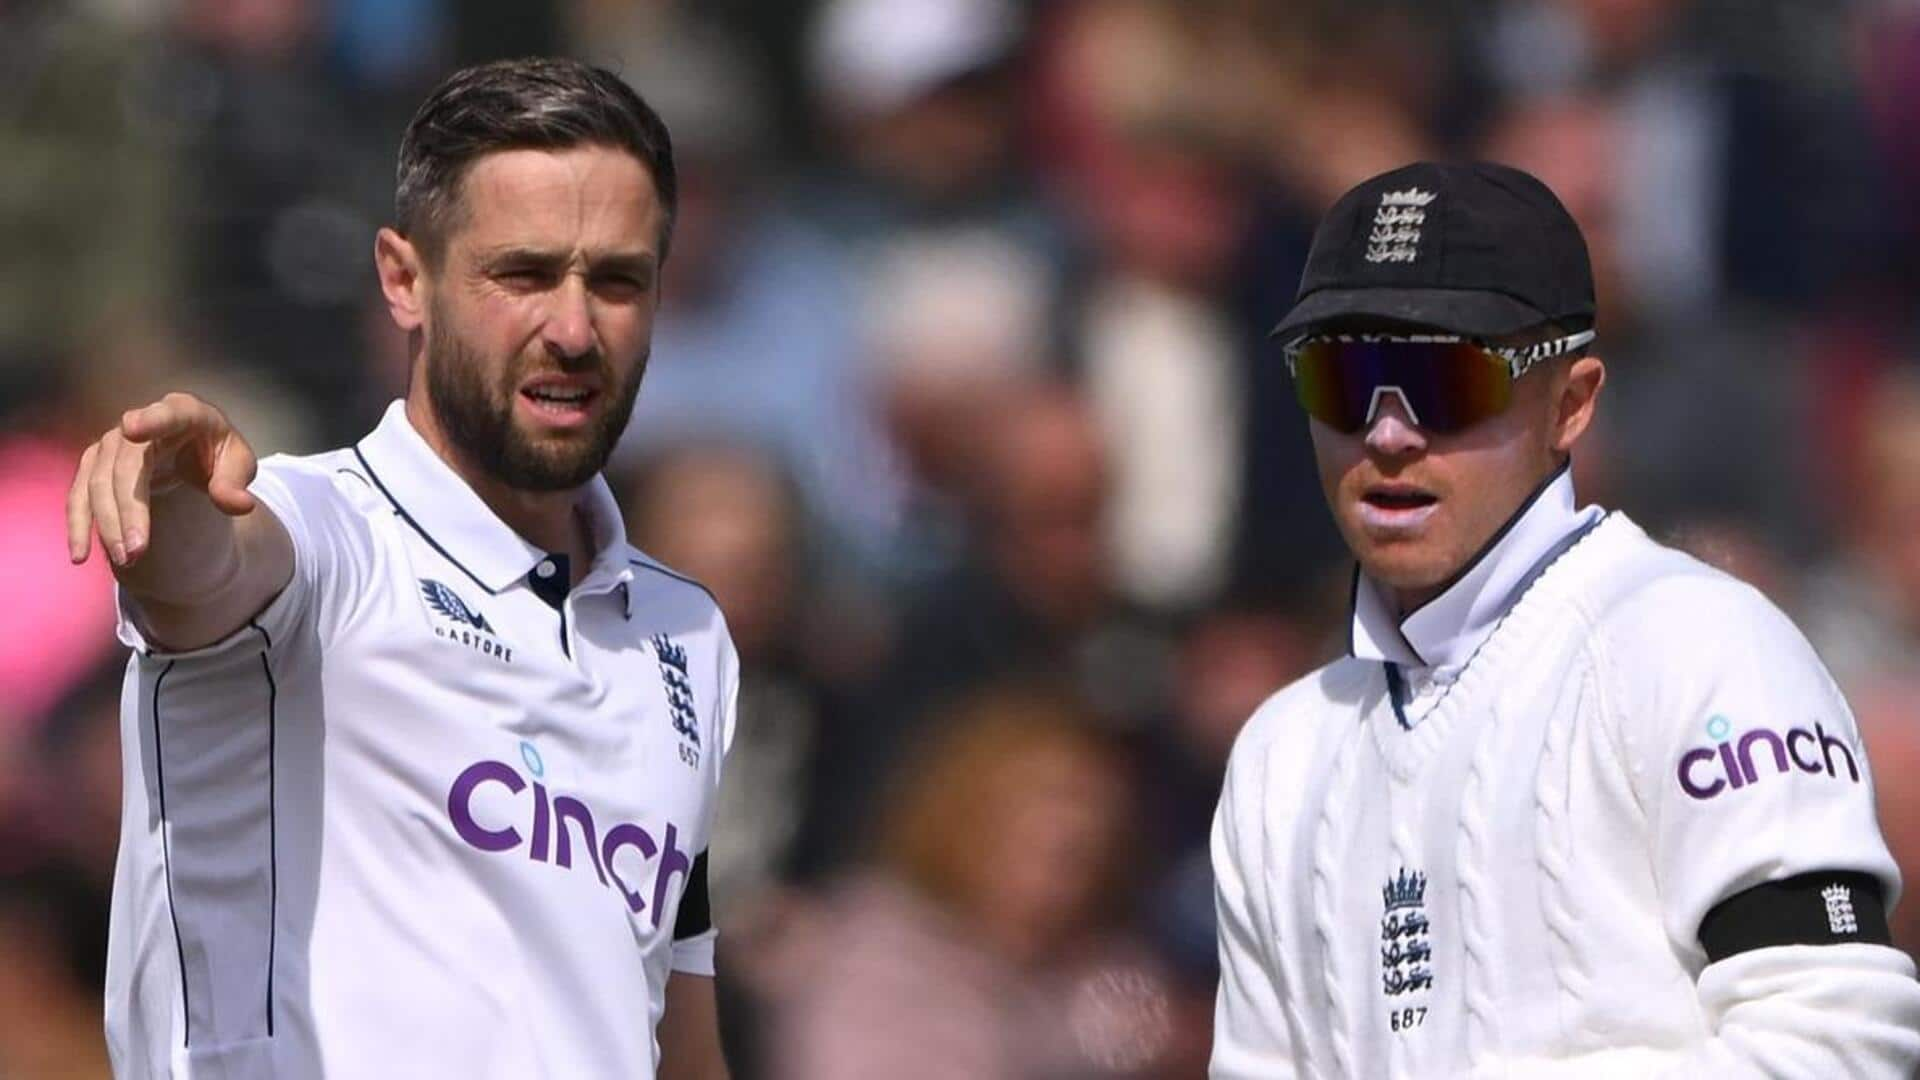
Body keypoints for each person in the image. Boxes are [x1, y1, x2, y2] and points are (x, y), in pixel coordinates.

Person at [65, 58, 734, 1079]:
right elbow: (208, 571)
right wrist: (165, 502)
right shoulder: (325, 530)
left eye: (616, 280)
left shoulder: (689, 639)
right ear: (403, 278)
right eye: (523, 273)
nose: (572, 328)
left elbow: (678, 1039)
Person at [1209, 161, 1920, 1077]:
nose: (1388, 432)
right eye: (1342, 380)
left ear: (1573, 401)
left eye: (1446, 379)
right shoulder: (1280, 752)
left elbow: (1845, 1046)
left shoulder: (1701, 646)